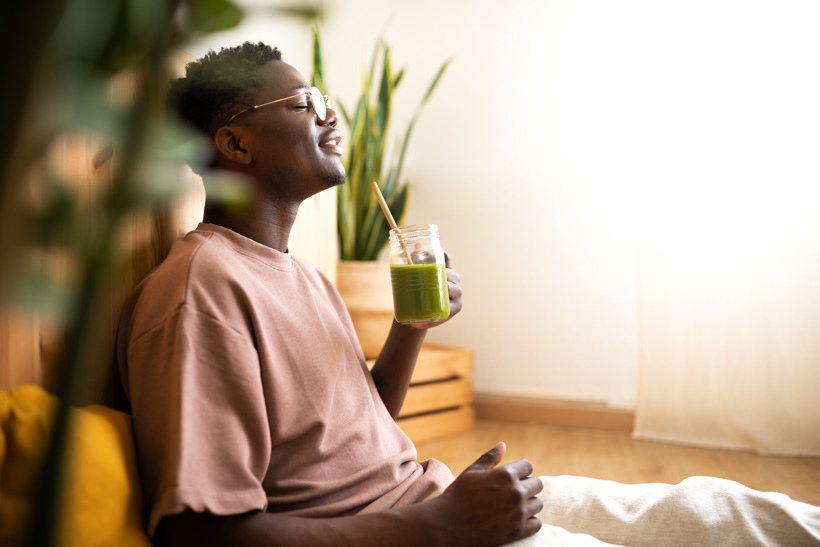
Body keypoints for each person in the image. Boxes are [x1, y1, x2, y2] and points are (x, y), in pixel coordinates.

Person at [116, 42, 820, 547]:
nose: (331, 116)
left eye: (325, 100)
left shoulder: (298, 273)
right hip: (415, 528)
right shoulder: (199, 292)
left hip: (430, 503)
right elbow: (197, 532)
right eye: (306, 103)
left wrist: (413, 326)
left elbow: (360, 428)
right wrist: (442, 527)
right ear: (235, 146)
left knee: (714, 508)